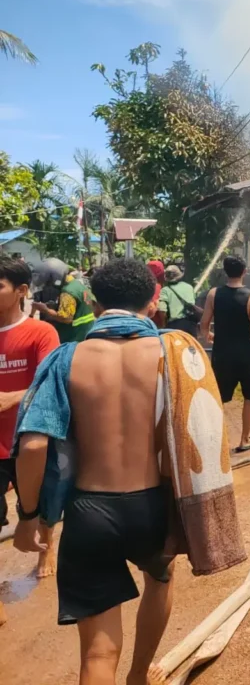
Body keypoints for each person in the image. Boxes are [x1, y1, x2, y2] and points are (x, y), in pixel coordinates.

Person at [12, 258, 246, 685]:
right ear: (154, 300)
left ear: (96, 304)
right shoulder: (172, 353)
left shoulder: (67, 359)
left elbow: (33, 444)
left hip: (90, 512)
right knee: (160, 577)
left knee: (98, 655)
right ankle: (140, 675)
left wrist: (31, 518)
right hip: (151, 506)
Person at [0, 256, 60, 615]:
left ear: (21, 291)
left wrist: (12, 397)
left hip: (28, 438)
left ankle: (45, 547)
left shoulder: (41, 333)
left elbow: (48, 381)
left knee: (38, 501)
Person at [201, 255, 250, 452]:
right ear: (244, 272)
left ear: (224, 271)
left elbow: (204, 323)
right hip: (247, 355)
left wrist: (208, 335)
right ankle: (244, 439)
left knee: (218, 397)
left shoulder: (213, 294)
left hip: (222, 355)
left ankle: (216, 441)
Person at [32, 259, 96, 343]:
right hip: (86, 333)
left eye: (48, 282)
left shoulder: (67, 292)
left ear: (55, 277)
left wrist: (45, 310)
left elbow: (66, 318)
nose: (48, 285)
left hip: (73, 338)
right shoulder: (77, 285)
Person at [155, 264, 200, 336]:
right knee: (191, 346)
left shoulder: (165, 290)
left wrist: (164, 324)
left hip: (175, 326)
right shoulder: (189, 287)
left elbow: (162, 310)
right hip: (191, 325)